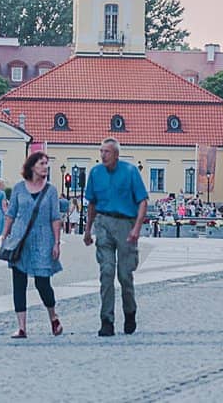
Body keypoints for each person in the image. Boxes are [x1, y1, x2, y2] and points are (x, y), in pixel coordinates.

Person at [83, 138, 149, 337]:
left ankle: (130, 312)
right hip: (103, 222)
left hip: (125, 224)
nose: (103, 155)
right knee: (107, 271)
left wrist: (137, 228)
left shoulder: (130, 172)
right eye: (101, 151)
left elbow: (143, 201)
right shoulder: (95, 173)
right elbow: (92, 204)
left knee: (124, 274)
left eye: (107, 152)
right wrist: (87, 230)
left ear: (116, 154)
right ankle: (107, 320)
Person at [0, 152, 63, 338]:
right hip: (20, 240)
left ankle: (53, 317)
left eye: (46, 164)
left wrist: (57, 242)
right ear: (32, 166)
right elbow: (11, 213)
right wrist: (4, 236)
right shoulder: (19, 188)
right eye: (42, 163)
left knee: (43, 282)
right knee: (18, 282)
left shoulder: (51, 190)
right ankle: (22, 327)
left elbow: (55, 218)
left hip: (44, 240)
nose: (45, 167)